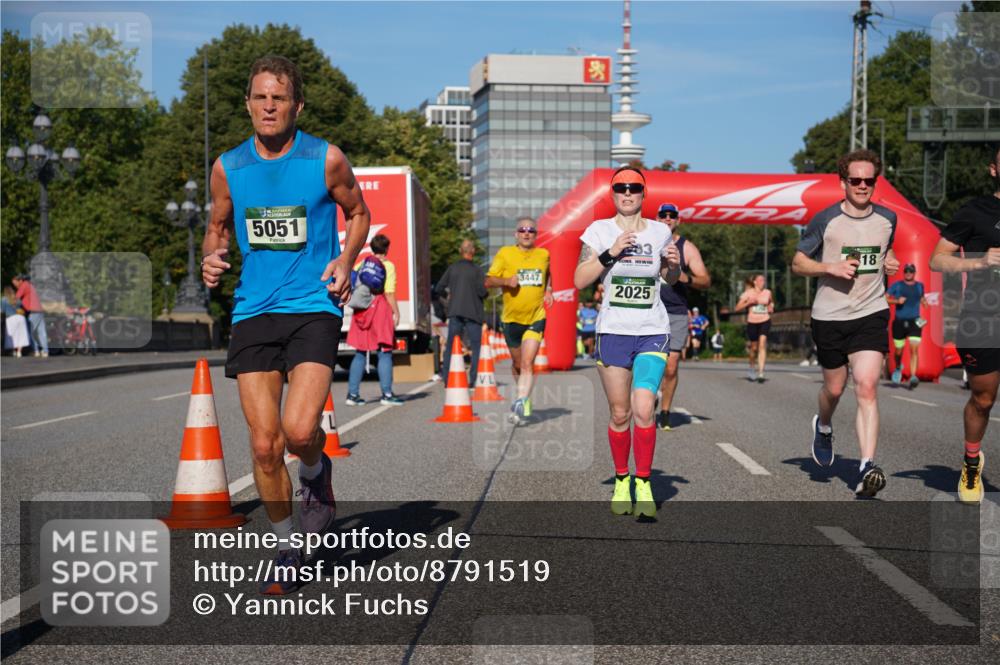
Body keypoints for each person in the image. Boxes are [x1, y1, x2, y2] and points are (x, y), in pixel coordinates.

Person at [200, 55, 370, 594]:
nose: (268, 106)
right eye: (259, 97)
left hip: (313, 307)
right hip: (254, 310)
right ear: (247, 103)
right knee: (264, 444)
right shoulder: (229, 166)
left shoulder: (326, 159)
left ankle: (317, 476)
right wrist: (212, 256)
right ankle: (289, 546)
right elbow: (217, 226)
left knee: (300, 433)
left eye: (278, 98)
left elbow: (358, 213)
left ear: (297, 105)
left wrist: (344, 261)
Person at [574, 166, 681, 518]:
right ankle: (622, 479)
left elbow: (670, 279)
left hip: (651, 329)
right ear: (612, 193)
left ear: (643, 192)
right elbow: (579, 279)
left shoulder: (660, 231)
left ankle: (644, 483)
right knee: (620, 414)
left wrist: (673, 267)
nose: (628, 192)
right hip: (614, 331)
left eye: (634, 187)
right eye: (621, 187)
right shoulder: (599, 231)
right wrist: (610, 253)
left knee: (644, 408)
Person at [792, 148, 899, 497]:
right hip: (830, 315)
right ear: (843, 183)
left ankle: (867, 465)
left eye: (869, 180)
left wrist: (891, 262)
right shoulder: (826, 220)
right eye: (856, 180)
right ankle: (823, 425)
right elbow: (797, 263)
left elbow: (886, 251)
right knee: (835, 389)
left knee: (867, 385)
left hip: (871, 311)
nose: (863, 186)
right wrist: (830, 267)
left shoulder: (888, 219)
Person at [929, 144, 1000, 505]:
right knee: (983, 398)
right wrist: (978, 262)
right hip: (984, 318)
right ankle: (971, 463)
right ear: (993, 169)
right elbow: (936, 260)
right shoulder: (975, 212)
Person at [485, 216, 553, 425]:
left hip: (536, 316)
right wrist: (506, 281)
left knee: (526, 362)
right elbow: (488, 280)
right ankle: (521, 396)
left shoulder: (543, 254)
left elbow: (548, 273)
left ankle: (522, 401)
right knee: (516, 363)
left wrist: (549, 288)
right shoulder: (505, 254)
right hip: (512, 319)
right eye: (522, 230)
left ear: (535, 235)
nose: (526, 233)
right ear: (516, 234)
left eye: (531, 230)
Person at [653, 202, 710, 430]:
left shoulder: (687, 248)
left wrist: (688, 279)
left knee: (672, 366)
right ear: (656, 218)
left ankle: (665, 411)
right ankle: (650, 395)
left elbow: (706, 280)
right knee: (648, 362)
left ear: (678, 220)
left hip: (675, 312)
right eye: (663, 215)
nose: (667, 218)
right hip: (649, 310)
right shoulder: (647, 242)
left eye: (672, 215)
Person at [345, 234, 403, 406]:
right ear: (386, 249)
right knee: (385, 352)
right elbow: (389, 292)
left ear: (372, 248)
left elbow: (354, 282)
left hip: (362, 310)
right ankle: (386, 394)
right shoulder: (388, 266)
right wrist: (396, 312)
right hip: (379, 309)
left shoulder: (362, 264)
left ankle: (352, 395)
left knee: (360, 352)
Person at [435, 238, 488, 386]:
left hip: (455, 312)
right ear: (473, 252)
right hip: (473, 313)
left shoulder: (452, 268)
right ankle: (473, 380)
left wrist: (448, 301)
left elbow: (438, 288)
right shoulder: (477, 270)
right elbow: (482, 292)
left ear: (460, 251)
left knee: (451, 345)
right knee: (476, 346)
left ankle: (447, 379)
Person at [885, 263, 928, 389]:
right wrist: (896, 301)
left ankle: (913, 376)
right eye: (906, 271)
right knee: (898, 352)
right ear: (904, 272)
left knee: (914, 350)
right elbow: (884, 298)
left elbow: (921, 297)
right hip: (899, 322)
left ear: (914, 273)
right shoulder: (897, 286)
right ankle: (898, 367)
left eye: (911, 271)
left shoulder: (920, 286)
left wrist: (924, 302)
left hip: (915, 322)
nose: (908, 273)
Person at [734, 274, 774, 382]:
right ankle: (752, 367)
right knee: (754, 348)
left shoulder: (767, 292)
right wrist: (748, 303)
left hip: (765, 320)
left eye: (764, 280)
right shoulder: (748, 293)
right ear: (755, 282)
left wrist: (771, 308)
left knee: (762, 344)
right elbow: (737, 308)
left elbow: (771, 303)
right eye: (760, 280)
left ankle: (761, 373)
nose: (763, 282)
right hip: (752, 322)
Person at [12, 274, 47, 357]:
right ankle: (45, 351)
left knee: (31, 332)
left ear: (20, 281)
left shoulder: (23, 285)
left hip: (33, 312)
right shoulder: (30, 285)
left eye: (15, 283)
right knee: (41, 332)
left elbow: (16, 299)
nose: (15, 285)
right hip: (39, 310)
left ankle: (36, 351)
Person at [2, 286, 29, 357]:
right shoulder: (17, 299)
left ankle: (13, 351)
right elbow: (22, 306)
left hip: (10, 319)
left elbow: (1, 311)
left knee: (12, 336)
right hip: (20, 317)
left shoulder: (4, 300)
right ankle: (19, 352)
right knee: (21, 335)